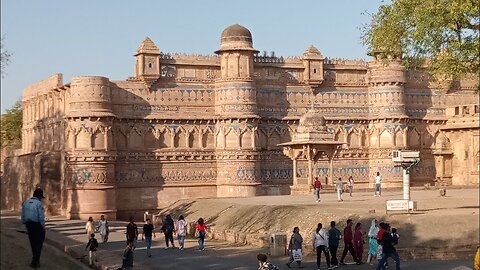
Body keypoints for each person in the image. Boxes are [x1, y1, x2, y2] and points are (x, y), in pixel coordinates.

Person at [21, 187, 46, 268]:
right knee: (38, 243)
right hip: (37, 225)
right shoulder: (38, 204)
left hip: (29, 224)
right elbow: (41, 216)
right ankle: (35, 260)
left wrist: (24, 223)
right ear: (39, 197)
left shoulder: (26, 202)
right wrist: (42, 226)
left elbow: (23, 214)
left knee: (32, 242)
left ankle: (35, 260)